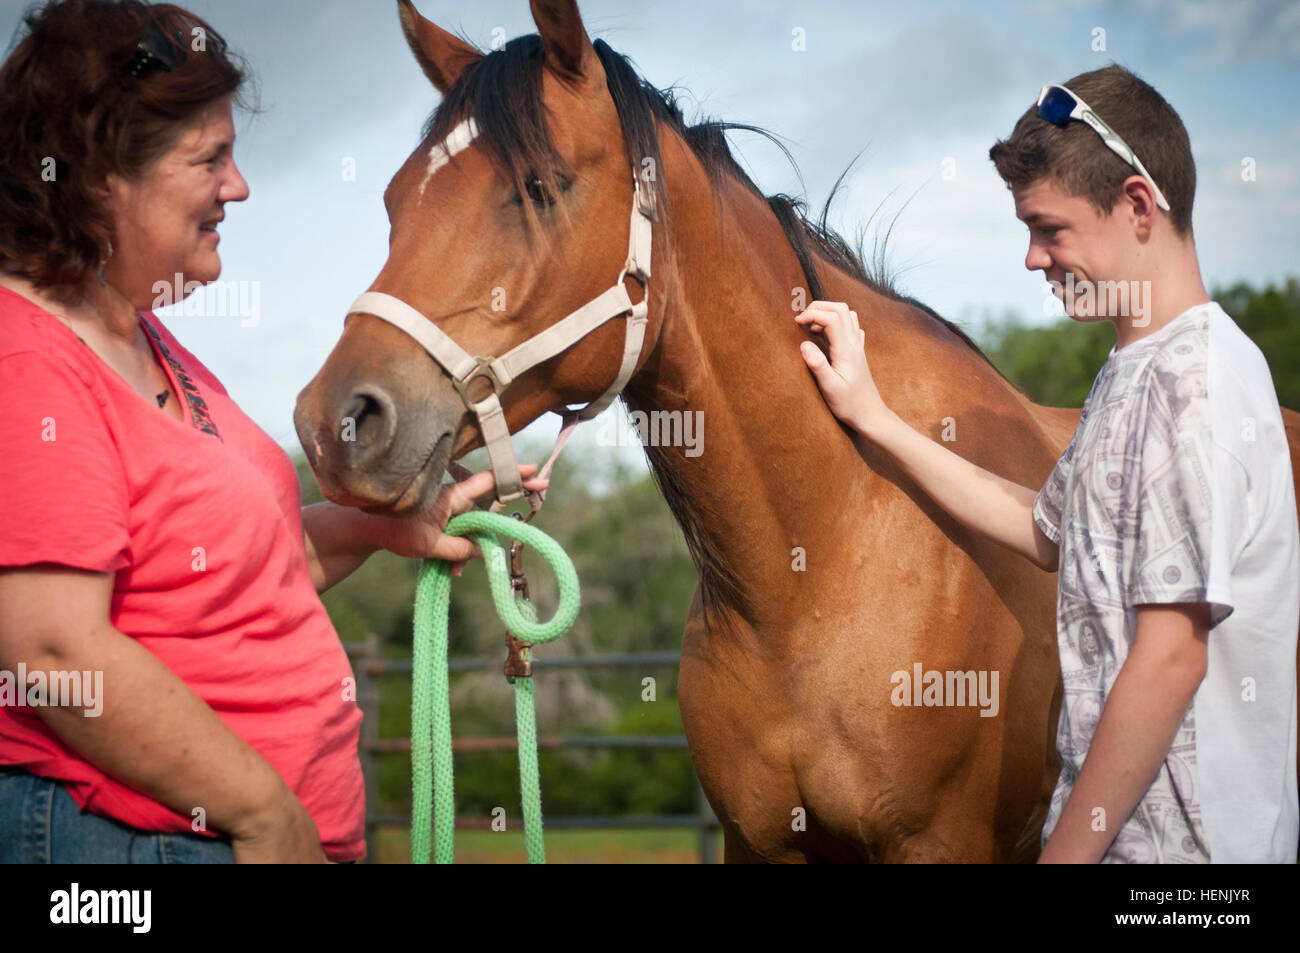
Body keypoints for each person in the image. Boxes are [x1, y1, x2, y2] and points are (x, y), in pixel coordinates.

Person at [0, 0, 546, 864]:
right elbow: (50, 644)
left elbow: (233, 571)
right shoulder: (26, 360)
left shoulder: (148, 342)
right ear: (104, 174)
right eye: (209, 159)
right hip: (139, 848)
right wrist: (262, 812)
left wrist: (384, 526)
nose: (239, 186)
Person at [795, 64, 1299, 863]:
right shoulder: (1133, 373)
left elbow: (1171, 654)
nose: (1032, 258)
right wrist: (875, 418)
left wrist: (1065, 854)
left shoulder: (1195, 386)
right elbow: (1045, 525)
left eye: (1049, 228)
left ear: (1137, 204)